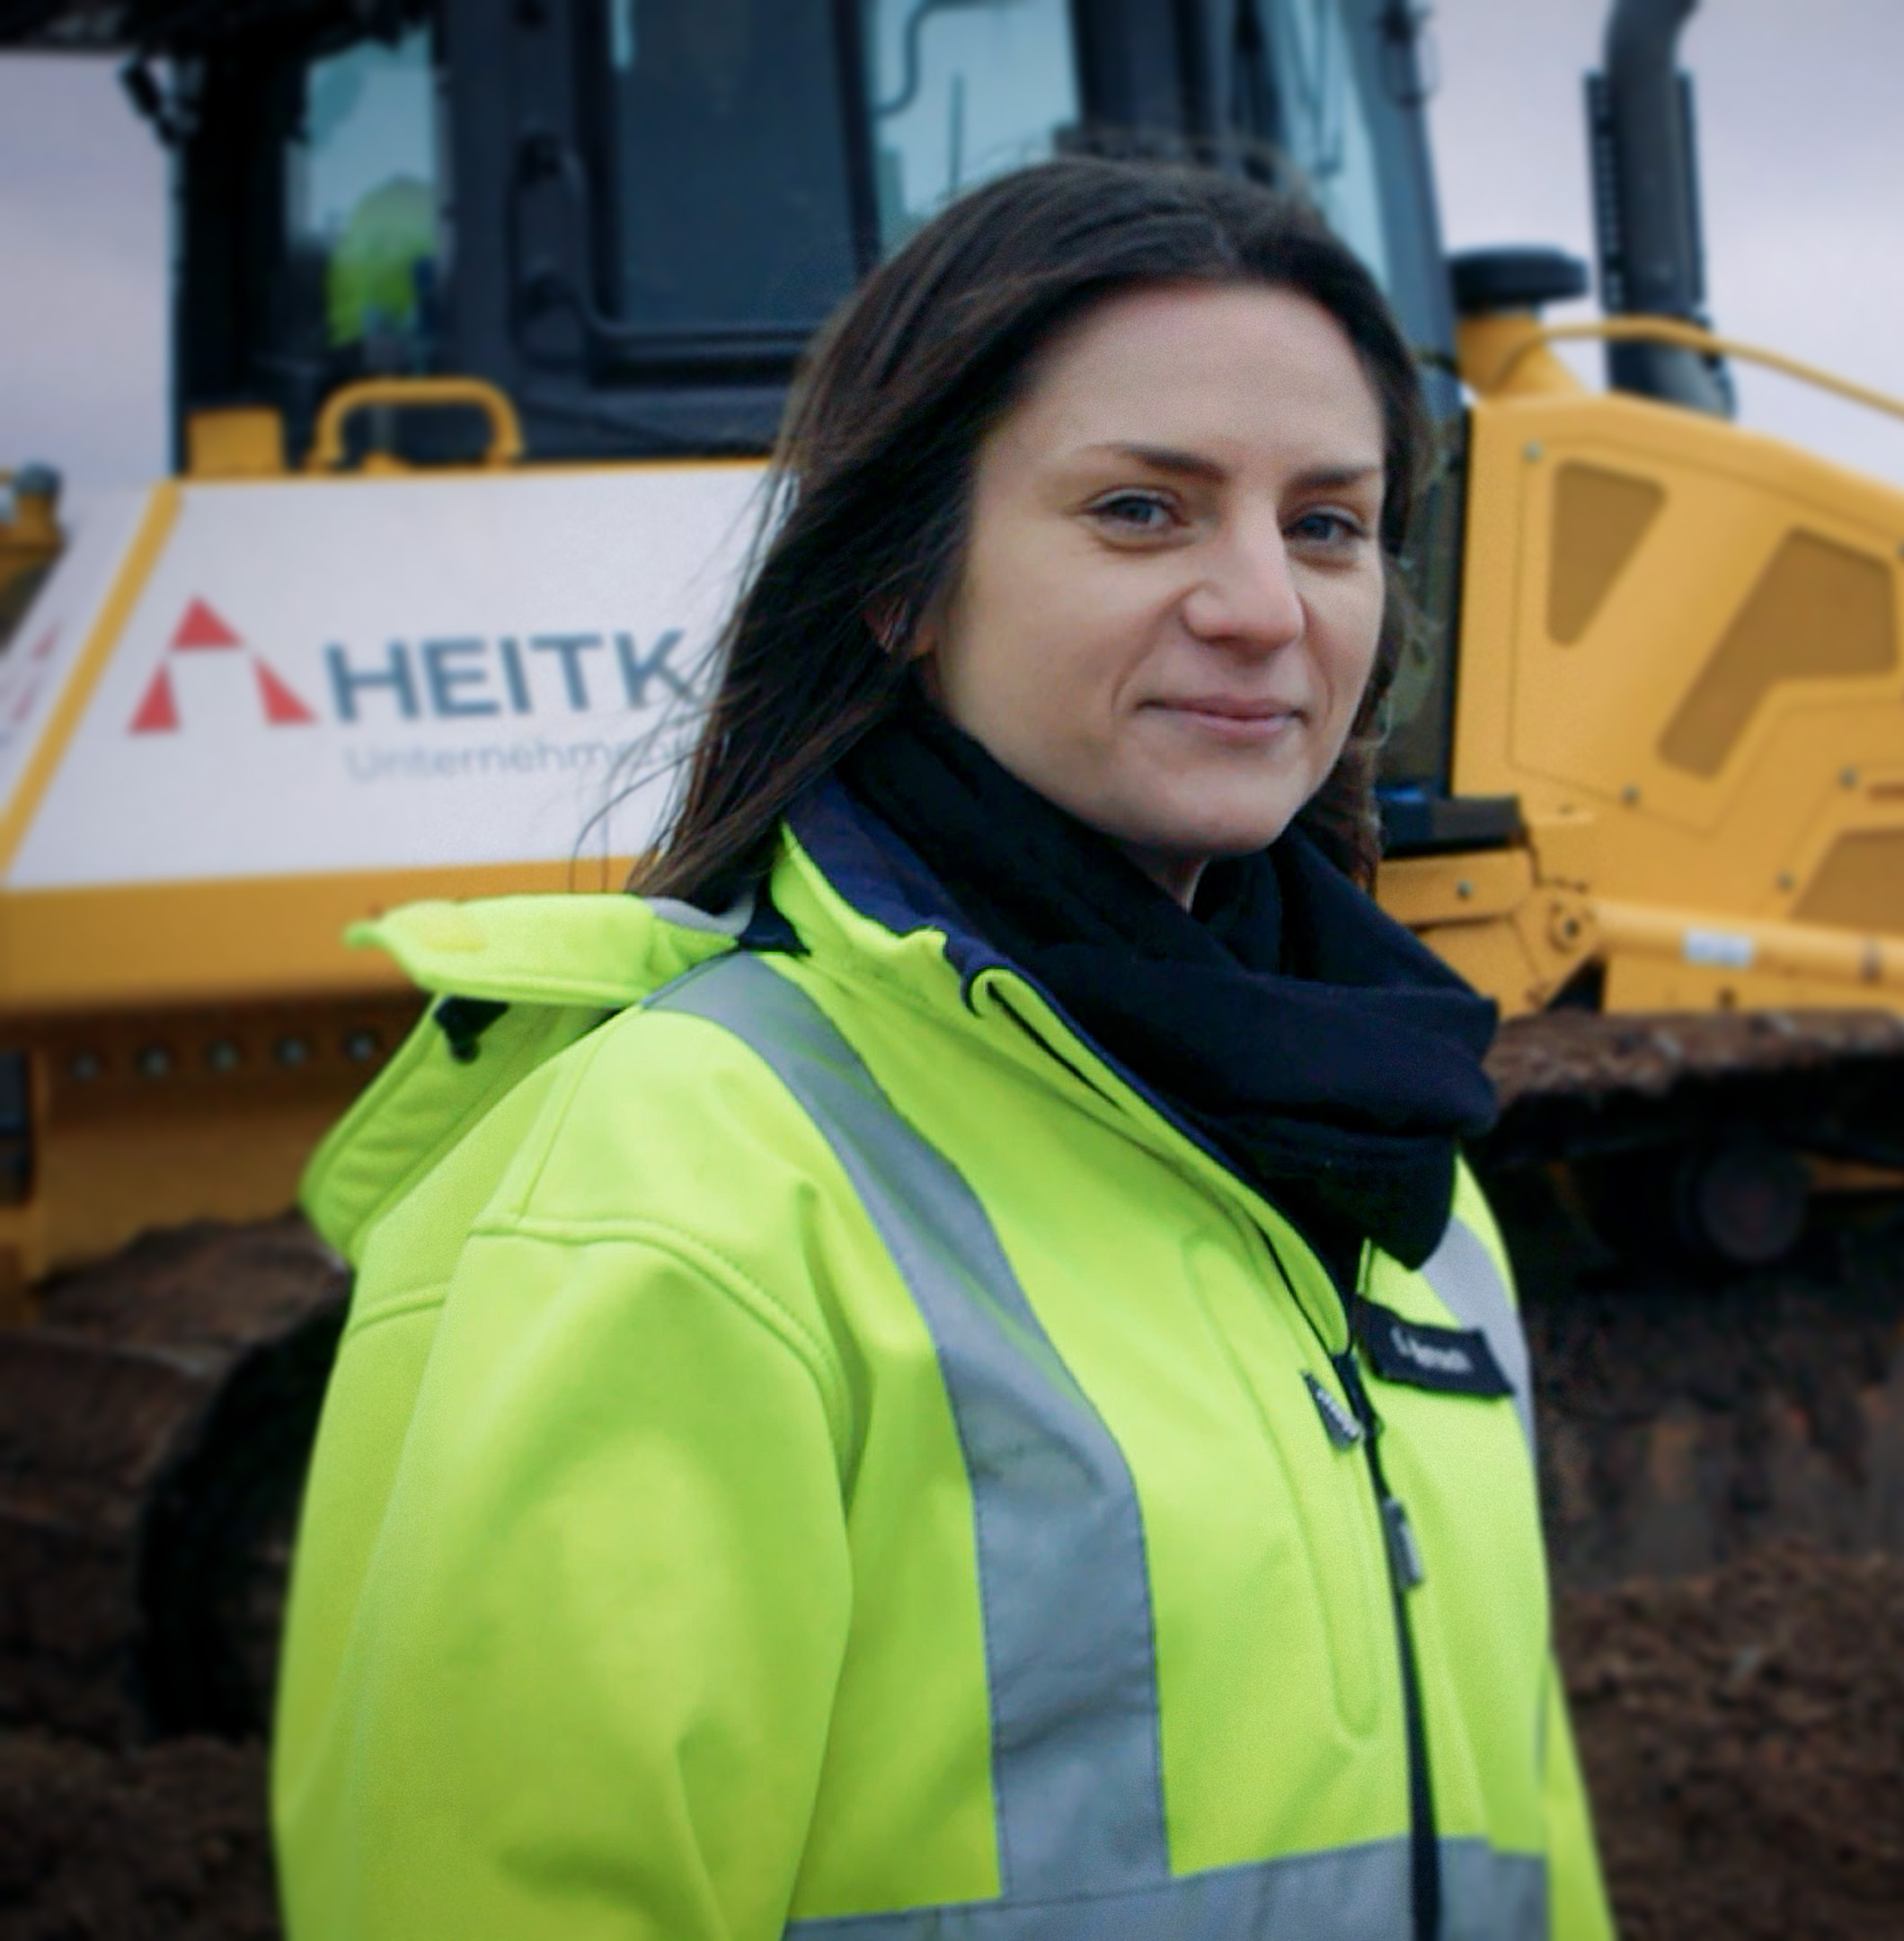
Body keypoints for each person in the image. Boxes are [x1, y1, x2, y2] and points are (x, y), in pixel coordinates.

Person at [270, 157, 1613, 1940]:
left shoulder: (1407, 1185)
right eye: (1141, 510)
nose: (1262, 605)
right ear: (902, 586)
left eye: (1326, 525)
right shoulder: (678, 1175)